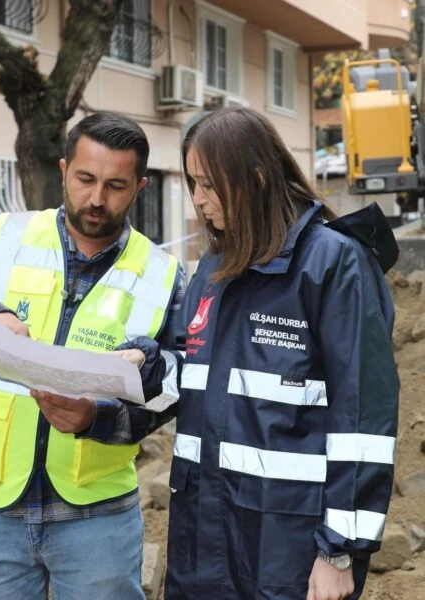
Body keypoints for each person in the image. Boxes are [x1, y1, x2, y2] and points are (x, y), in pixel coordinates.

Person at [0, 111, 186, 600]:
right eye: (85, 179)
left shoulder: (164, 274)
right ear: (64, 169)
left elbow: (176, 389)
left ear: (140, 187)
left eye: (115, 185)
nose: (96, 198)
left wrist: (97, 418)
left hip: (97, 515)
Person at [153, 106, 399, 599]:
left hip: (289, 548)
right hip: (202, 538)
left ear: (258, 179)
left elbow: (362, 417)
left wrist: (337, 551)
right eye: (192, 184)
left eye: (209, 185)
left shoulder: (332, 263)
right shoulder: (216, 266)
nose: (198, 200)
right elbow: (192, 370)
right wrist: (145, 363)